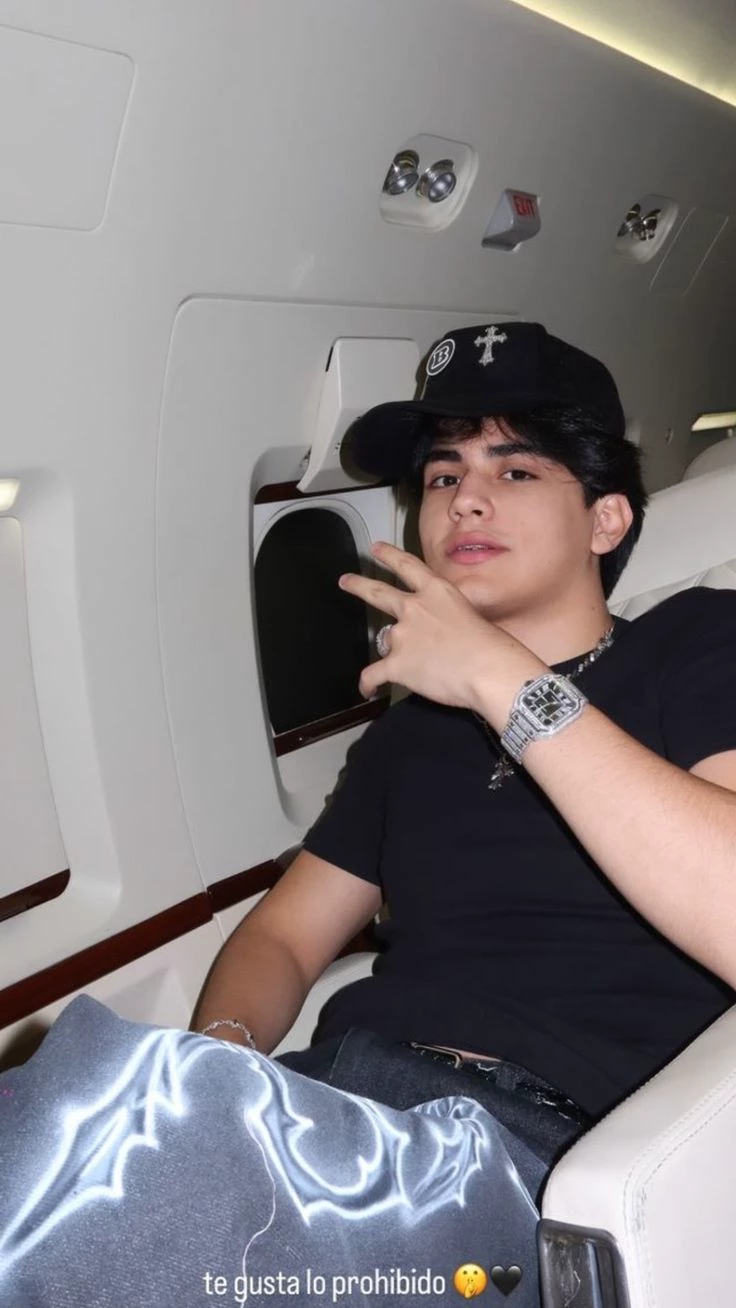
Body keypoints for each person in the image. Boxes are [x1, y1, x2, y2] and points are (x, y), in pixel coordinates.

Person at [194, 321, 736, 1181]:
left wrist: (501, 681)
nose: (463, 501)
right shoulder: (411, 729)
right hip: (339, 1099)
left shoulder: (700, 642)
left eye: (515, 471)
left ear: (606, 519)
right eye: (444, 475)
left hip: (542, 1141)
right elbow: (287, 937)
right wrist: (214, 1071)